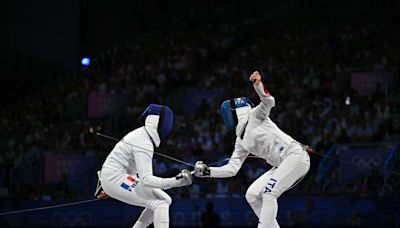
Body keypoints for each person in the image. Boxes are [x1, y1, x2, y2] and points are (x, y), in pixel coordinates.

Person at [194, 71, 311, 228]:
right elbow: (232, 169)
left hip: (295, 156)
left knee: (269, 193)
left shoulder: (255, 115)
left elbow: (269, 101)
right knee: (252, 195)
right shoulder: (240, 141)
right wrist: (209, 172)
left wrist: (258, 86)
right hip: (281, 165)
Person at [96, 104, 193, 228]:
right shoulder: (144, 142)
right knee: (160, 203)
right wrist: (176, 182)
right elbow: (146, 180)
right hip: (114, 178)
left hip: (118, 178)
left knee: (166, 200)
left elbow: (133, 171)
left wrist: (117, 186)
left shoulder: (143, 136)